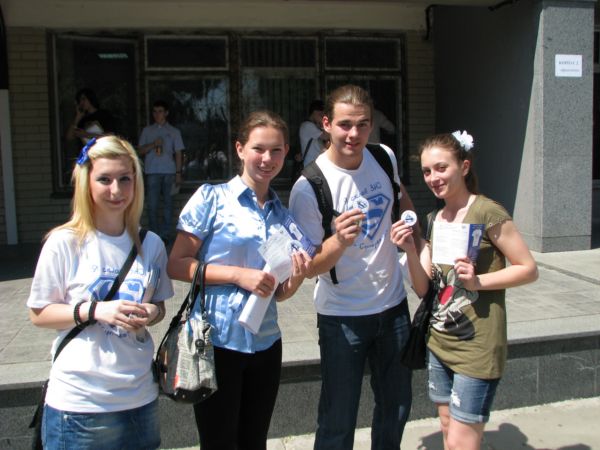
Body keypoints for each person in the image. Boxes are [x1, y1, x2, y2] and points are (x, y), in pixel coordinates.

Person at [167, 110, 312, 449]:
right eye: (258, 148)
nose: (267, 158)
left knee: (254, 441)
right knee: (218, 442)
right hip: (217, 341)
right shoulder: (212, 199)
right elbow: (176, 265)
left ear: (286, 153)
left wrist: (296, 278)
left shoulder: (283, 216)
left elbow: (277, 293)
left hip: (266, 343)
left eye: (276, 150)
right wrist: (237, 275)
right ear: (240, 149)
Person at [390, 131, 538, 450]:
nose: (433, 178)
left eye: (441, 168)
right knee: (447, 427)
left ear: (464, 166)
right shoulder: (434, 219)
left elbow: (528, 268)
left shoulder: (486, 212)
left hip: (478, 346)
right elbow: (423, 288)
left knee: (461, 442)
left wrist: (478, 282)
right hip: (439, 340)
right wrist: (411, 250)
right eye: (427, 171)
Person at [288, 84, 416, 449]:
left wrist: (409, 226)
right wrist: (339, 241)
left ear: (371, 125)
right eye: (345, 124)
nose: (353, 134)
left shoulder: (383, 156)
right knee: (338, 419)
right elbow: (309, 266)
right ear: (326, 124)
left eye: (362, 124)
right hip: (342, 318)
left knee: (396, 408)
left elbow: (402, 200)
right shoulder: (309, 186)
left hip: (394, 308)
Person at [27, 135, 174, 449]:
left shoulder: (151, 245)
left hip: (140, 399)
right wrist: (94, 310)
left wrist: (152, 313)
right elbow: (39, 314)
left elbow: (159, 306)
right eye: (105, 179)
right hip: (79, 405)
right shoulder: (64, 242)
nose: (116, 190)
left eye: (125, 179)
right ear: (87, 183)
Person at [138, 100, 184, 244]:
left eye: (160, 111)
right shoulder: (147, 131)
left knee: (168, 205)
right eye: (155, 111)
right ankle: (153, 236)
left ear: (166, 113)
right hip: (152, 171)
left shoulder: (174, 131)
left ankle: (165, 235)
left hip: (169, 171)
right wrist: (153, 144)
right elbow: (140, 151)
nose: (157, 114)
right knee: (152, 205)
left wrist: (178, 173)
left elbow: (178, 153)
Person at [296, 99, 329, 168]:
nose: (322, 117)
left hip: (316, 163)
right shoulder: (307, 125)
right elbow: (326, 136)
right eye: (320, 115)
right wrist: (324, 122)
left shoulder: (313, 126)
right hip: (311, 164)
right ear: (314, 112)